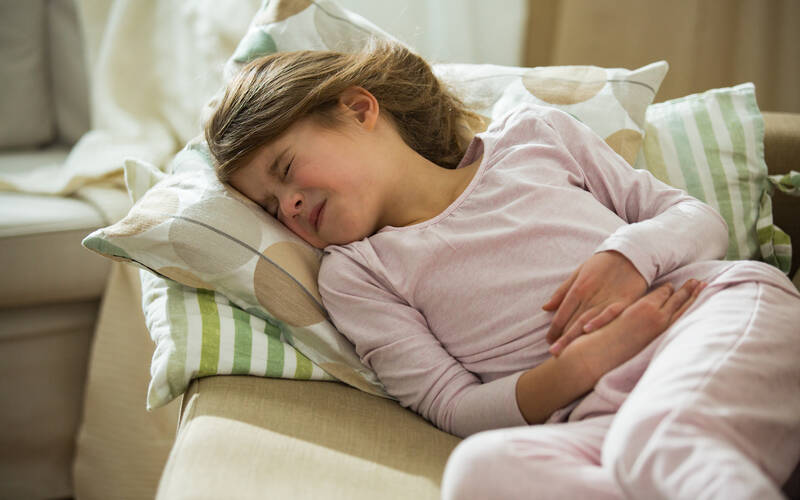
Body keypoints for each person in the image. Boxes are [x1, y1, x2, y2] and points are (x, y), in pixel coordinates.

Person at [205, 39, 800, 499]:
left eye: (285, 170)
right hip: (604, 418)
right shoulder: (356, 274)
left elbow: (695, 218)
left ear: (360, 109)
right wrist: (584, 363)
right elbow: (455, 408)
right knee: (481, 472)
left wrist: (628, 257)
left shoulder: (533, 139)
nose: (289, 207)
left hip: (711, 321)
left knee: (657, 441)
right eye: (269, 206)